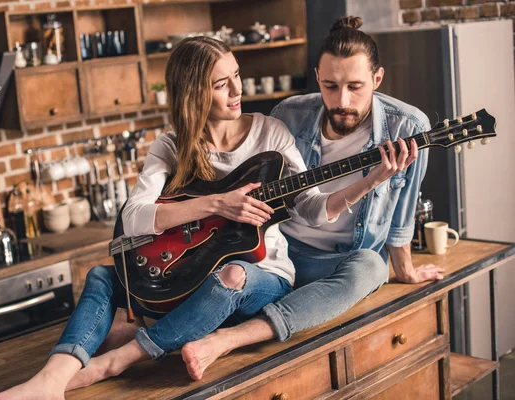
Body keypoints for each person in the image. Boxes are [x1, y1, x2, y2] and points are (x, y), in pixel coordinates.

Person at [0, 34, 413, 400]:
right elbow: (134, 217)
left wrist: (371, 179)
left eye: (237, 76)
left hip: (258, 277)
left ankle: (121, 358)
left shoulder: (270, 133)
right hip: (189, 280)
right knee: (103, 277)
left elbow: (314, 209)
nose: (238, 90)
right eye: (222, 84)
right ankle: (49, 382)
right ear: (194, 92)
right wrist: (216, 204)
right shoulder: (171, 146)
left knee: (236, 275)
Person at [179, 16, 446, 381]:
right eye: (331, 86)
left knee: (372, 266)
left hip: (338, 262)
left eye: (356, 86)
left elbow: (402, 210)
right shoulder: (288, 114)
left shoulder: (408, 127)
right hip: (278, 253)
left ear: (377, 80)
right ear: (317, 76)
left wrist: (406, 269)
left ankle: (230, 339)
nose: (342, 101)